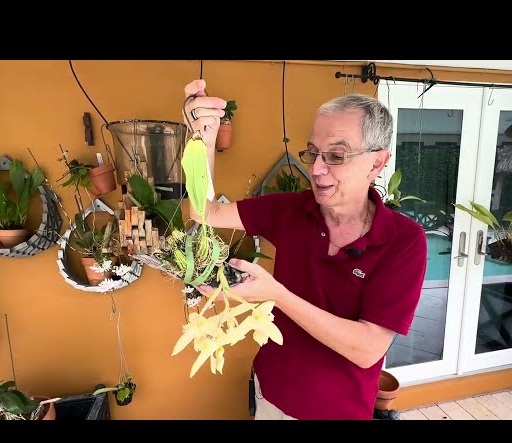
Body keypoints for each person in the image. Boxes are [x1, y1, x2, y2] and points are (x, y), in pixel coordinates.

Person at [182, 79, 427, 420]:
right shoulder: (292, 211)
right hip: (272, 395)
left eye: (336, 155)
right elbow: (204, 211)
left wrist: (276, 295)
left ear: (376, 163)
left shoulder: (404, 241)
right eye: (313, 152)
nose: (316, 169)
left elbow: (367, 348)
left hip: (338, 411)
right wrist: (204, 141)